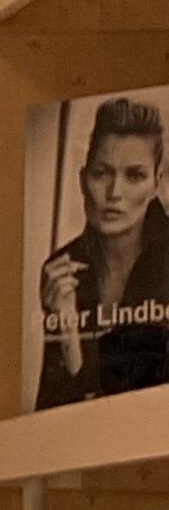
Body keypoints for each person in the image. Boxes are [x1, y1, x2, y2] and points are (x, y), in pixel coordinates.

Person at [36, 96, 169, 410]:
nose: (114, 193)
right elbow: (50, 413)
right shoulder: (61, 271)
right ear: (83, 180)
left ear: (156, 183)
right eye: (101, 173)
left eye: (134, 175)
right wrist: (67, 330)